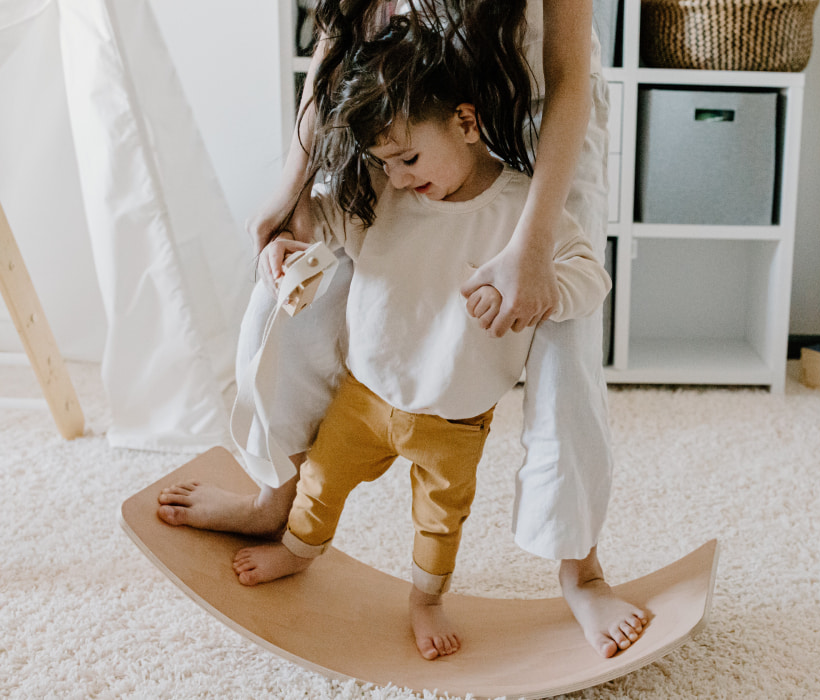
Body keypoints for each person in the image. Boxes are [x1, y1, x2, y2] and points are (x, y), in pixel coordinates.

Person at [157, 0, 648, 658]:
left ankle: (581, 571)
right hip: (404, 101)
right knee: (301, 289)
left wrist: (533, 249)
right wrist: (293, 190)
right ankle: (275, 499)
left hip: (536, 99)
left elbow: (567, 75)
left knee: (567, 345)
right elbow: (335, 50)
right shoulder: (394, 159)